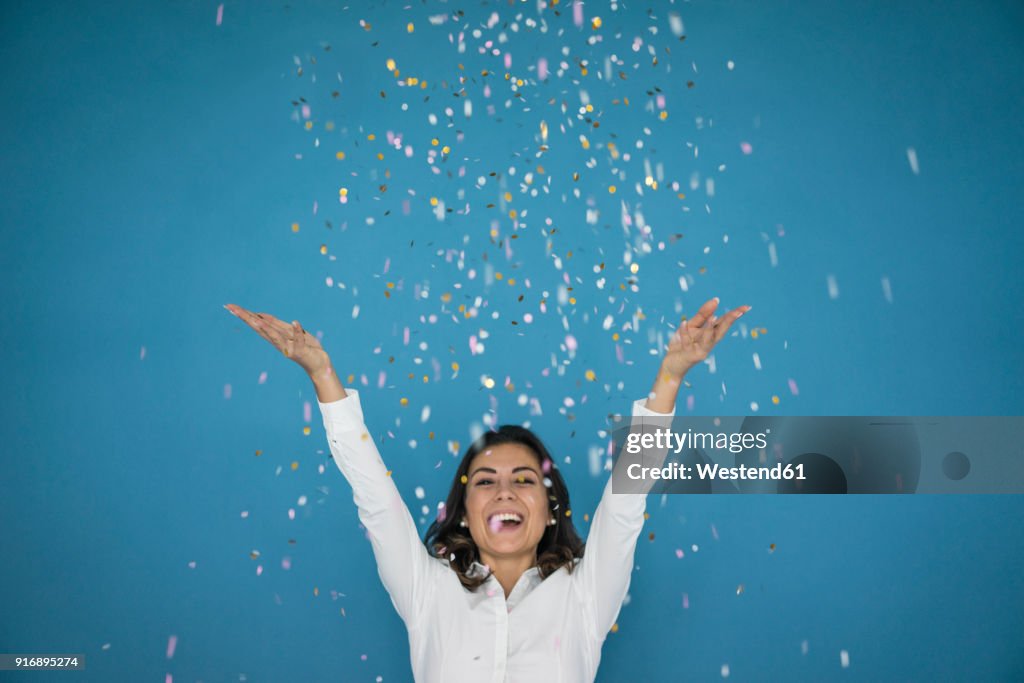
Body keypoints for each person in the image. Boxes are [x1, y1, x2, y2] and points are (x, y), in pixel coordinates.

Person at [225, 298, 750, 683]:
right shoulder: (425, 590)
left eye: (524, 480)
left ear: (549, 511)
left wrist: (671, 375)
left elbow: (627, 500)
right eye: (485, 481)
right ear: (462, 512)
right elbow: (375, 498)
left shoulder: (585, 594)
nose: (504, 492)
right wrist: (322, 374)